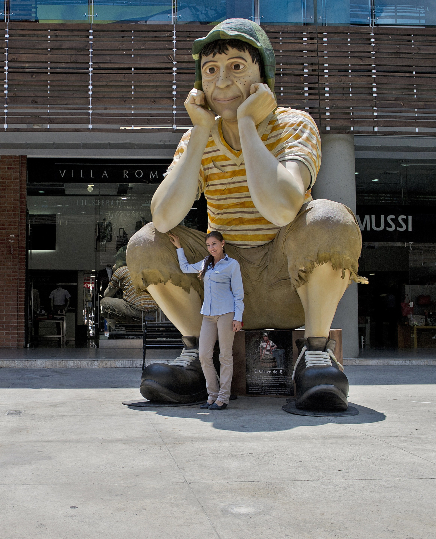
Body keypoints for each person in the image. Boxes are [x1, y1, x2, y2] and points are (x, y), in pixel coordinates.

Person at [128, 18, 365, 411]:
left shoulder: (294, 124)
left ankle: (316, 353)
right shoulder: (195, 138)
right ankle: (194, 356)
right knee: (145, 242)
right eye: (211, 70)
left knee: (328, 218)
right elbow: (165, 217)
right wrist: (202, 132)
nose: (221, 81)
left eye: (237, 66)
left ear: (262, 75)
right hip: (221, 287)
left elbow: (283, 206)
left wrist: (248, 127)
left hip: (286, 281)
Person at [170, 231, 243, 410]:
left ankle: (223, 398)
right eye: (209, 245)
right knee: (204, 355)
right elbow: (185, 268)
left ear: (222, 243)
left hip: (226, 313)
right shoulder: (205, 264)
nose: (211, 248)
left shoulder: (232, 265)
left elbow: (238, 294)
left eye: (214, 244)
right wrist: (179, 247)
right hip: (208, 316)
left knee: (225, 356)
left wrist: (238, 318)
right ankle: (212, 395)